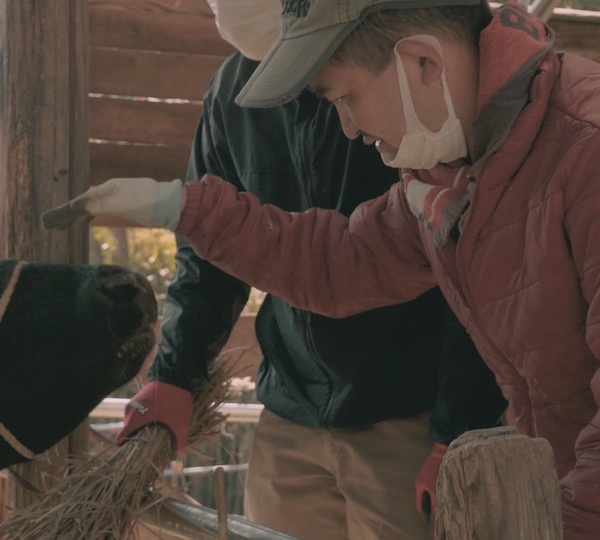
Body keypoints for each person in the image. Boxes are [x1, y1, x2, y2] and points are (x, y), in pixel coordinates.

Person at [42, 0, 600, 537]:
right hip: (552, 466)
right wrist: (186, 208)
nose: (349, 128)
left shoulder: (583, 152)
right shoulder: (449, 175)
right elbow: (342, 262)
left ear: (422, 62)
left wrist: (469, 436)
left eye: (344, 96)